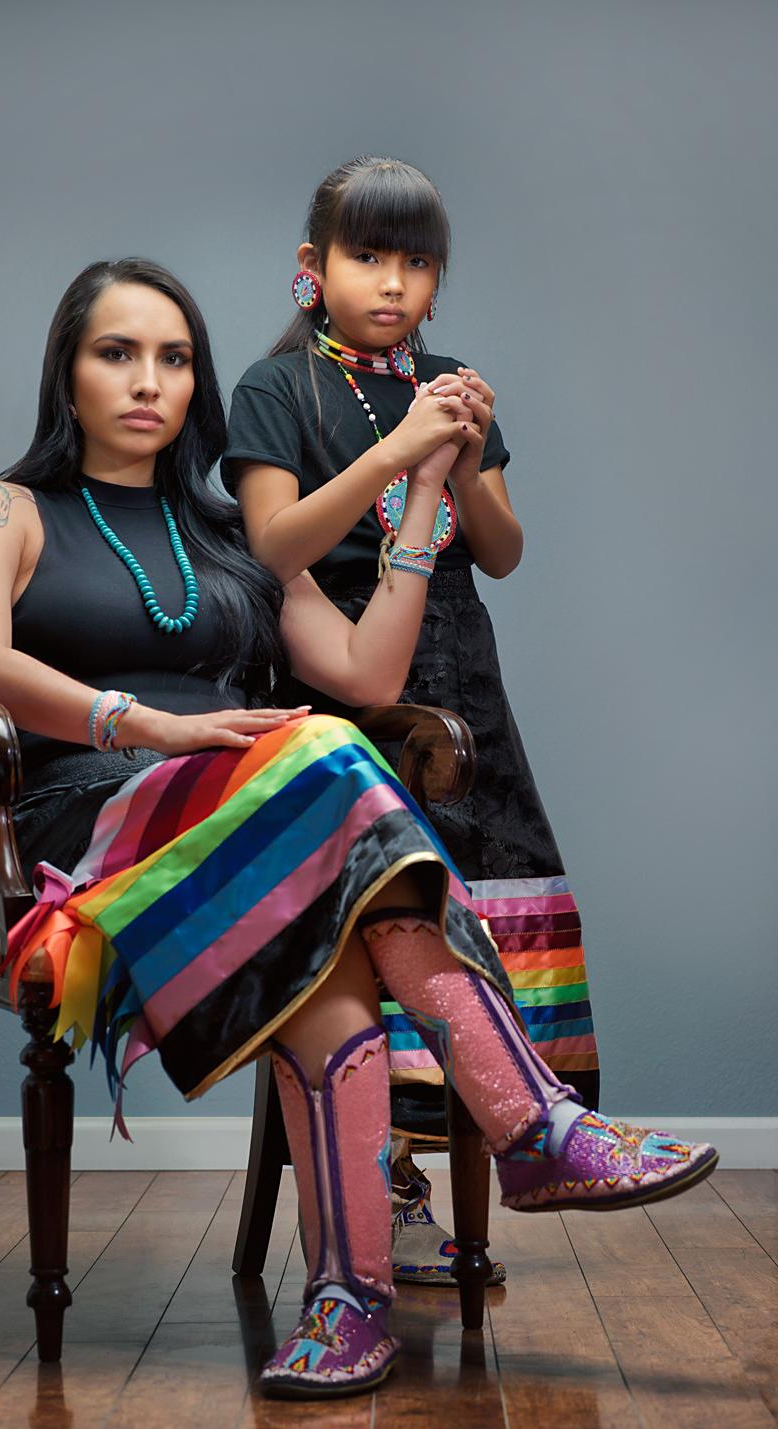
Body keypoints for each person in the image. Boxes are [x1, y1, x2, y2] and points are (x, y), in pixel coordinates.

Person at [0, 257, 717, 1400]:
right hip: (99, 840)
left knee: (334, 962)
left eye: (172, 356)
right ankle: (535, 1124)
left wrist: (413, 493)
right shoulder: (3, 511)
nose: (147, 380)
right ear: (66, 371)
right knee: (319, 746)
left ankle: (348, 1301)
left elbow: (364, 666)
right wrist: (150, 727)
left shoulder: (228, 532)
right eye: (116, 352)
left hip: (261, 850)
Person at [223, 155, 601, 1287]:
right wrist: (393, 455)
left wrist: (471, 461)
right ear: (310, 270)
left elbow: (500, 551)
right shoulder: (273, 390)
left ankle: (509, 1138)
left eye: (416, 261)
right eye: (366, 255)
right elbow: (270, 549)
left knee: (484, 897)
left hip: (459, 677)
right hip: (338, 679)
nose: (392, 282)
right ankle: (382, 1194)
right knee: (382, 916)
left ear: (438, 279)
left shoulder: (450, 384)